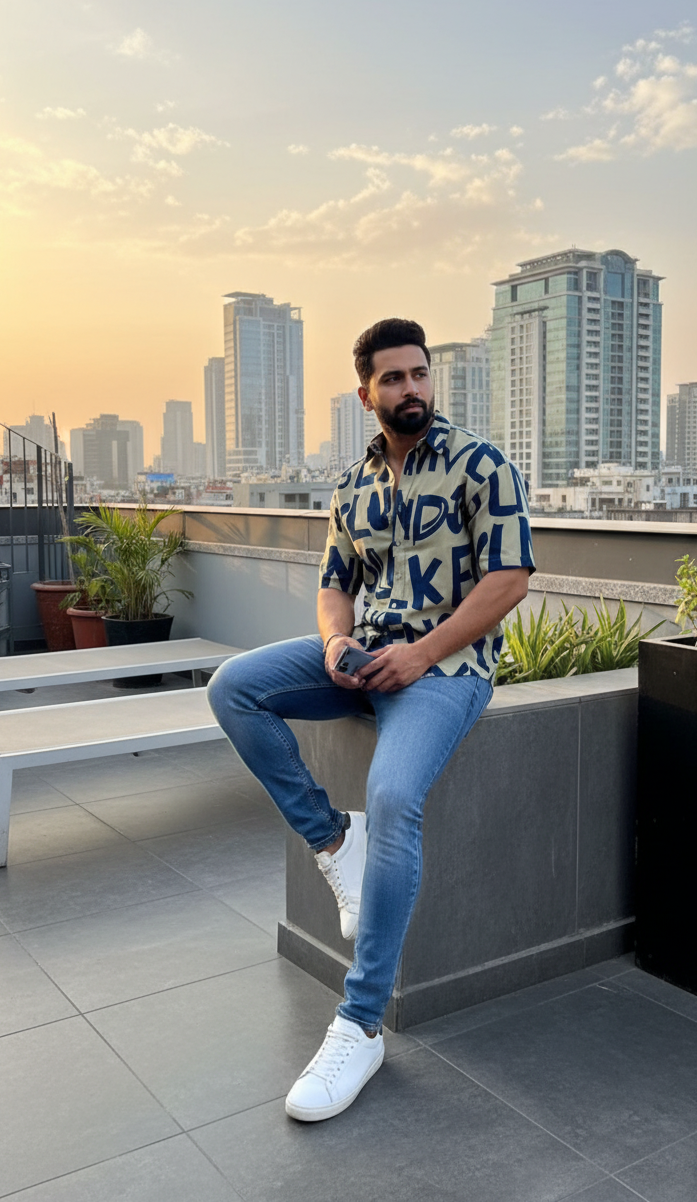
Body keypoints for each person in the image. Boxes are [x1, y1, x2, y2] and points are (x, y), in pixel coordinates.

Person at [207, 317, 534, 1121]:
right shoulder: (351, 485)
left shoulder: (481, 464)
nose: (411, 388)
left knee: (392, 797)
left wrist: (420, 656)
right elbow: (334, 583)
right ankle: (332, 840)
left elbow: (509, 579)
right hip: (364, 661)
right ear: (366, 394)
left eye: (419, 373)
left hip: (444, 673)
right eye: (393, 378)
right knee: (233, 687)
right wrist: (334, 641)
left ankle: (359, 1024)